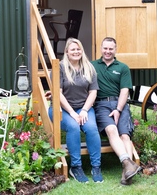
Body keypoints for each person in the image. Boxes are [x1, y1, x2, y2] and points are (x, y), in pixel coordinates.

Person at [48, 38, 103, 183]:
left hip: (83, 108)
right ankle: (76, 167)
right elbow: (57, 94)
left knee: (91, 128)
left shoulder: (89, 68)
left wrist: (84, 110)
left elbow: (93, 93)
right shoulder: (59, 68)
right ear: (67, 52)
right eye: (72, 49)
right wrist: (72, 113)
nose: (76, 52)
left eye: (78, 49)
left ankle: (96, 166)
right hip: (61, 108)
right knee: (73, 127)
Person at [90, 37, 141, 185]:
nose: (107, 51)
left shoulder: (123, 67)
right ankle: (128, 166)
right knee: (112, 130)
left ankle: (127, 171)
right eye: (105, 48)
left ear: (115, 49)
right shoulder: (92, 66)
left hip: (120, 103)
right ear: (101, 49)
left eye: (110, 48)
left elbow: (125, 91)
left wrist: (118, 109)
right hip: (101, 105)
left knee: (125, 135)